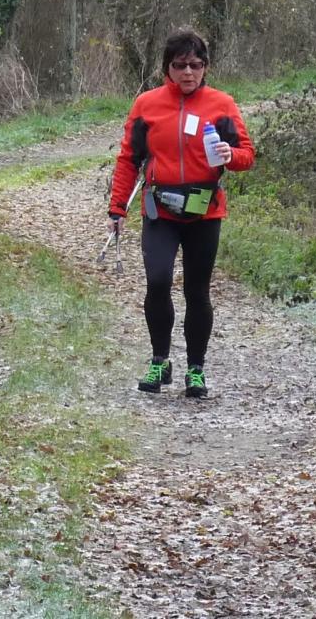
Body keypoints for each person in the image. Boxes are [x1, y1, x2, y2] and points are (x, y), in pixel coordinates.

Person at [107, 27, 255, 398]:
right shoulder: (147, 104)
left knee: (197, 290)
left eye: (195, 65)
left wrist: (229, 156)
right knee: (157, 282)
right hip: (160, 210)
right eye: (179, 65)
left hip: (204, 212)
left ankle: (196, 368)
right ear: (166, 69)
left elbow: (247, 156)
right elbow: (129, 158)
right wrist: (118, 207)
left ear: (206, 67)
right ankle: (160, 361)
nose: (188, 72)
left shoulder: (222, 104)